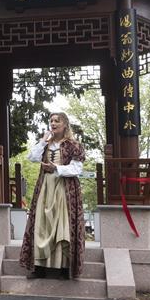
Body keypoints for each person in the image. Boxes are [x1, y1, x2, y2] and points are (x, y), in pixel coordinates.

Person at [19, 111, 86, 280]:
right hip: (45, 188)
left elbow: (77, 169)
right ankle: (39, 267)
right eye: (51, 121)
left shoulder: (73, 145)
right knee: (42, 225)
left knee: (61, 226)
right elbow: (32, 157)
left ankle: (63, 268)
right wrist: (43, 140)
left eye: (57, 121)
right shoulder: (46, 144)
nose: (53, 124)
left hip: (64, 188)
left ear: (65, 125)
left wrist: (56, 168)